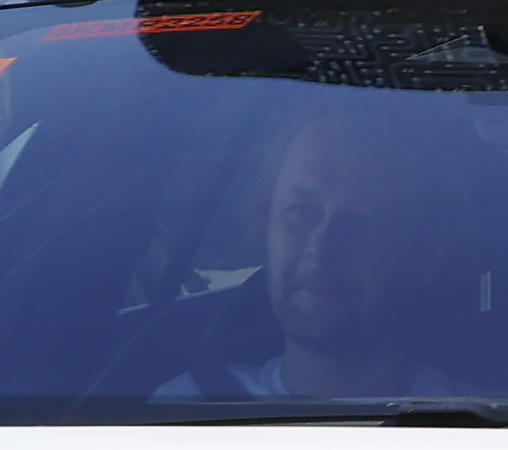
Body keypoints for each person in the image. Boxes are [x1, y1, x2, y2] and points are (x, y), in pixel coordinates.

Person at [161, 109, 471, 400]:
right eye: (302, 212)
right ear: (266, 227)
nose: (321, 247)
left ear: (428, 258)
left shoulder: (493, 434)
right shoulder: (175, 416)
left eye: (363, 221)